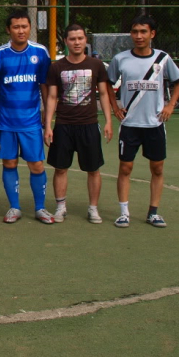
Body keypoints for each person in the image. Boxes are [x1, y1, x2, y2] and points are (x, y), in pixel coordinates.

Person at [105, 15, 179, 228]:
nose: (138, 36)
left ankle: (153, 212)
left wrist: (170, 106)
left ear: (152, 34)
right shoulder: (120, 59)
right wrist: (115, 107)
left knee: (157, 168)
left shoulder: (163, 59)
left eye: (143, 32)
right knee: (125, 168)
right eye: (135, 32)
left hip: (155, 124)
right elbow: (106, 85)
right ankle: (123, 213)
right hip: (130, 125)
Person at [44, 23, 113, 224]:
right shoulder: (57, 67)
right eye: (72, 39)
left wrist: (108, 121)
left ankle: (93, 209)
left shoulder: (96, 65)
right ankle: (60, 207)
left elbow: (104, 95)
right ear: (65, 41)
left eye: (80, 38)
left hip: (89, 125)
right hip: (64, 125)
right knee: (60, 168)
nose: (76, 42)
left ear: (85, 40)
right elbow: (52, 97)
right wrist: (48, 125)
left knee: (93, 169)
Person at [0, 10, 54, 224]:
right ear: (9, 30)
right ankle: (14, 208)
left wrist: (48, 122)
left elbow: (45, 87)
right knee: (9, 163)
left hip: (31, 122)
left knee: (36, 165)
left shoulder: (40, 52)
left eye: (24, 26)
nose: (21, 31)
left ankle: (40, 208)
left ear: (30, 28)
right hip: (6, 121)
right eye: (16, 27)